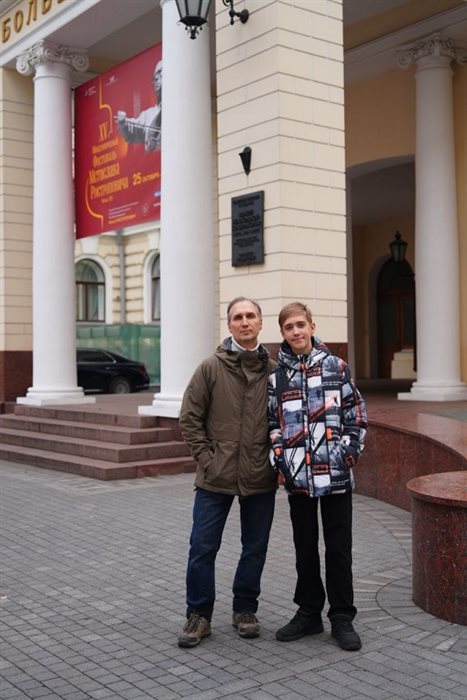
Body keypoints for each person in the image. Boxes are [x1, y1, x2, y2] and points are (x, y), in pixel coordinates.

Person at [177, 297, 277, 648]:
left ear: (261, 322)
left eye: (251, 316)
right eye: (238, 317)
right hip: (215, 476)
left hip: (260, 474)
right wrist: (207, 459)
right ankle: (199, 614)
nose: (244, 322)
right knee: (202, 548)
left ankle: (245, 609)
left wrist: (275, 460)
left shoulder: (275, 371)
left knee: (255, 547)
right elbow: (189, 418)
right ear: (229, 324)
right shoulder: (210, 368)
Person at [268, 302, 367, 651]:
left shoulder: (336, 368)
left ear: (312, 326)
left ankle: (341, 616)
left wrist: (347, 453)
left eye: (300, 324)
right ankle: (309, 612)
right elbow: (271, 423)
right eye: (289, 327)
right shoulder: (277, 378)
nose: (296, 331)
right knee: (305, 548)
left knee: (338, 549)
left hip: (335, 476)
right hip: (299, 479)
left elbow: (356, 414)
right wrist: (281, 457)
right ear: (282, 333)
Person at [116, 60, 162, 152]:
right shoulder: (148, 115)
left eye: (160, 72)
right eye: (154, 77)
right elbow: (132, 132)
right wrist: (122, 122)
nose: (156, 78)